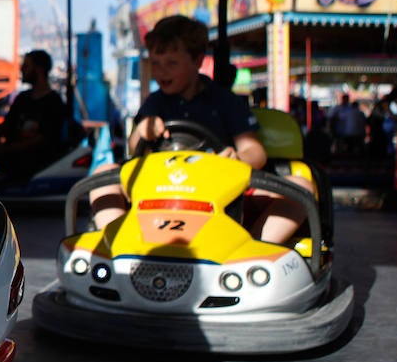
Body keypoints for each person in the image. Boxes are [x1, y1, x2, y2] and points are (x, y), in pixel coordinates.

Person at [88, 14, 309, 244]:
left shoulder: (224, 101)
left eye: (172, 64)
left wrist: (238, 158)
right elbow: (134, 151)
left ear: (197, 61)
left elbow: (255, 151)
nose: (161, 72)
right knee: (102, 175)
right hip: (160, 188)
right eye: (156, 64)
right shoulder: (154, 103)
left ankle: (253, 247)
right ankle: (118, 243)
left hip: (220, 192)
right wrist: (140, 132)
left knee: (300, 187)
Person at [0, 49, 68, 182]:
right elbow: (7, 126)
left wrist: (8, 149)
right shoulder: (22, 98)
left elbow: (46, 139)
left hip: (34, 170)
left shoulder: (53, 103)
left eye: (26, 65)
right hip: (13, 165)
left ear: (39, 69)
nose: (21, 69)